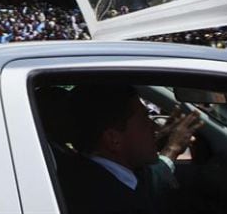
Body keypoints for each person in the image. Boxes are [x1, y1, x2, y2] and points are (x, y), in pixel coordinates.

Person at [58, 84, 203, 214]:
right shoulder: (105, 202)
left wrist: (156, 142)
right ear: (113, 139)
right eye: (144, 120)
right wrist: (172, 148)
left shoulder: (88, 174)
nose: (155, 127)